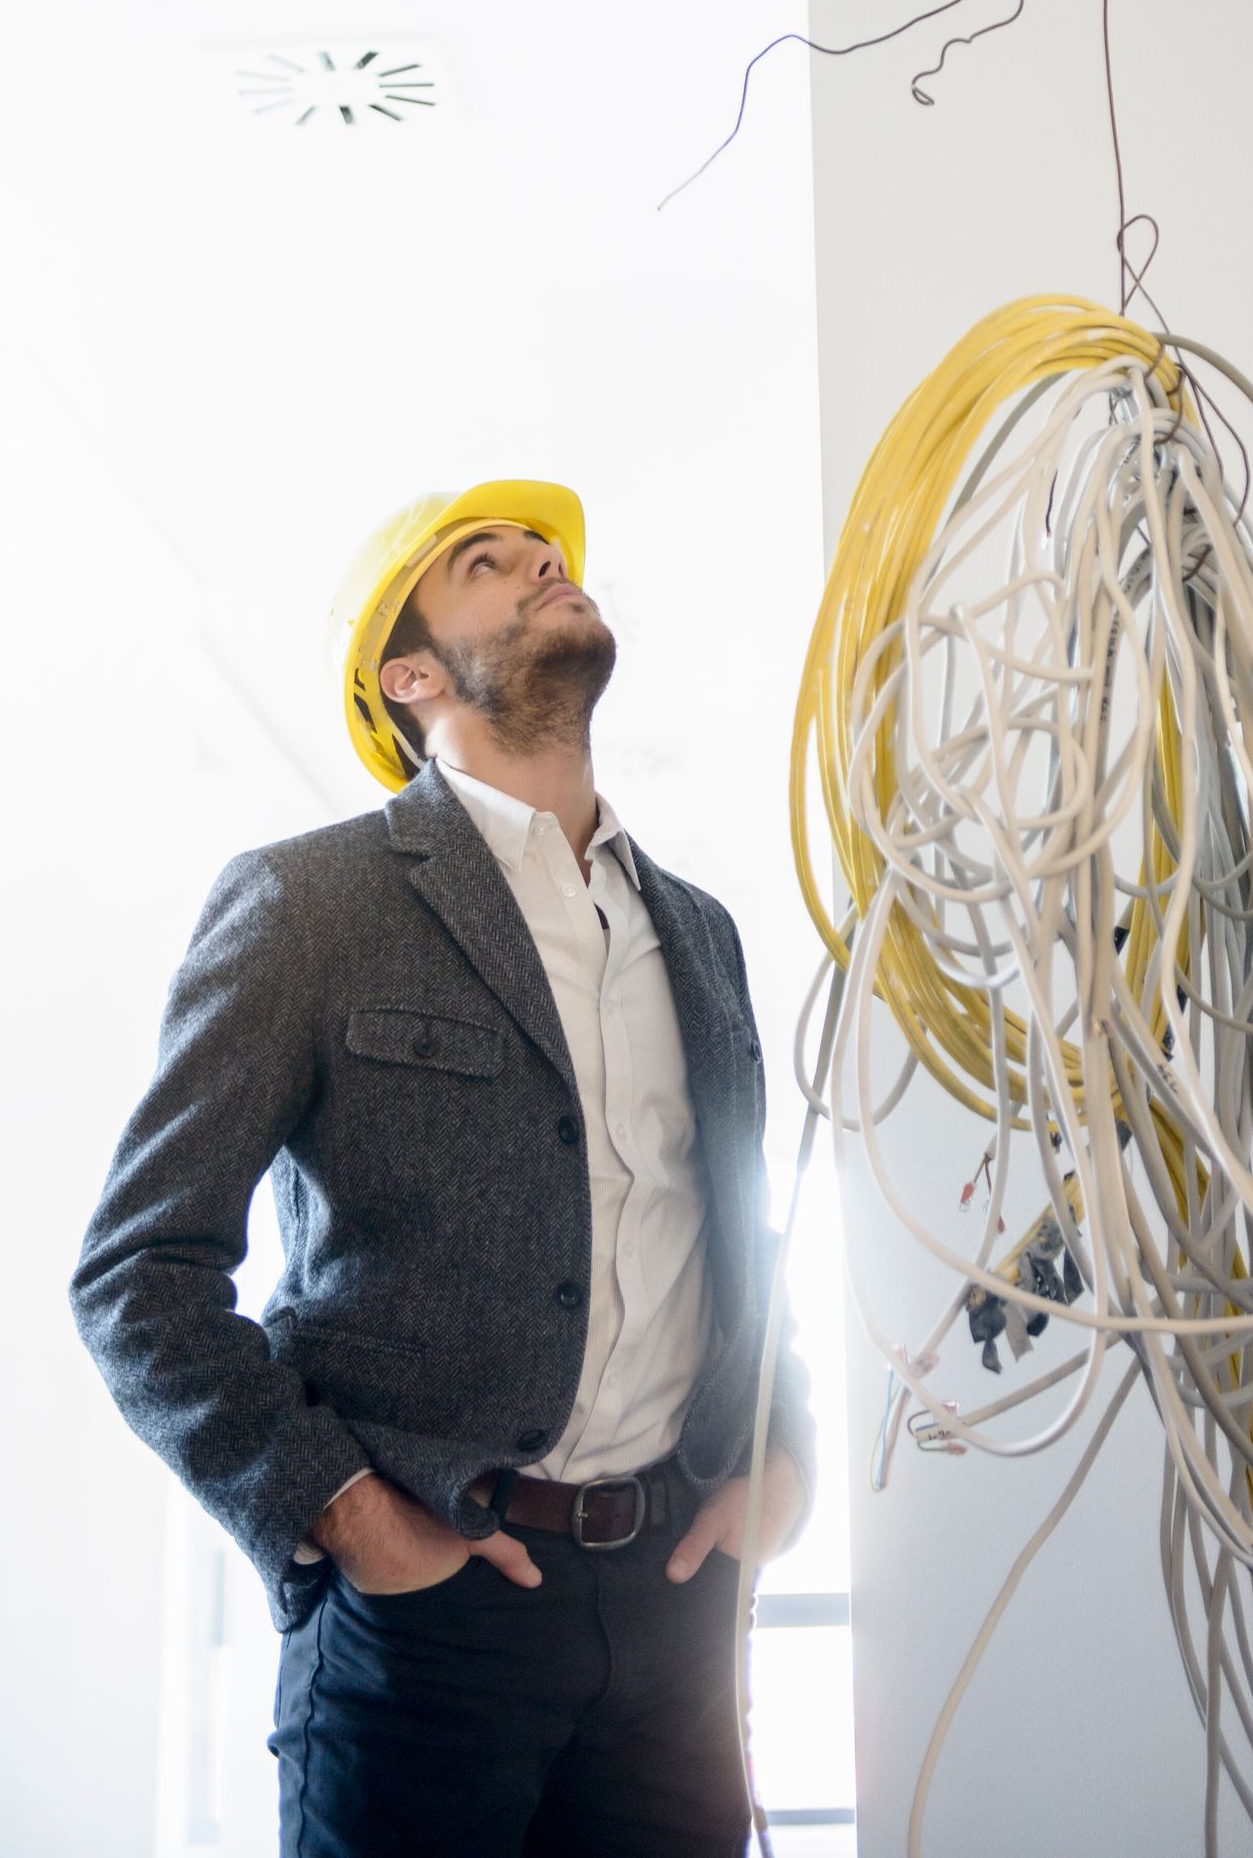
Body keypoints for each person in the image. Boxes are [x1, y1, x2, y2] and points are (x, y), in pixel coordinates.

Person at [72, 476, 812, 1858]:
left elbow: (738, 1232)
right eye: (489, 561)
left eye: (547, 551)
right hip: (428, 1623)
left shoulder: (700, 930)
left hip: (678, 1612)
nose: (543, 561)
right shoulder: (308, 903)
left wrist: (786, 1450)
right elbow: (138, 1273)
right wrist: (346, 1517)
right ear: (409, 674)